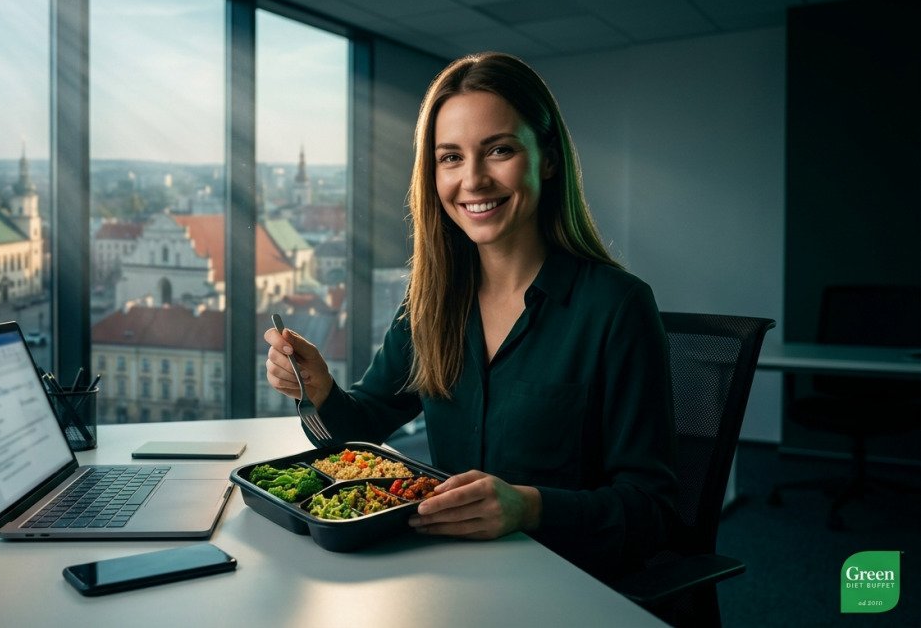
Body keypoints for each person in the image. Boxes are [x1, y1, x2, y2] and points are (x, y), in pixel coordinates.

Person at [263, 52, 675, 580]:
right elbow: (363, 425)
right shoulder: (432, 299)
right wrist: (318, 390)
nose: (473, 180)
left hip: (569, 583)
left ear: (547, 160)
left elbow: (653, 512)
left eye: (499, 150)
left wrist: (530, 507)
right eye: (450, 157)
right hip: (452, 574)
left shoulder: (618, 308)